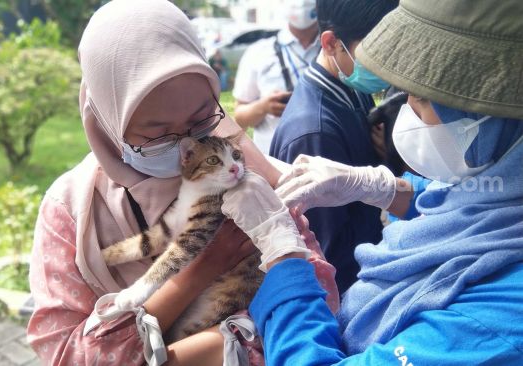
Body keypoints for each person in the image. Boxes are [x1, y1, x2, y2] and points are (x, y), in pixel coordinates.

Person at [25, 1, 339, 365]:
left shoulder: (244, 167)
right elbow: (65, 354)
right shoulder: (72, 211)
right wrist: (196, 273)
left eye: (202, 119)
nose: (185, 149)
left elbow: (320, 292)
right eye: (157, 134)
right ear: (110, 124)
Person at [222, 0, 523, 363]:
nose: (407, 113)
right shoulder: (502, 190)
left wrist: (284, 264)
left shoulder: (497, 321)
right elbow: (464, 196)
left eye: (423, 99)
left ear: (500, 119)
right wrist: (379, 187)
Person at [269, 0, 398, 293]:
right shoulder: (314, 132)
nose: (389, 64)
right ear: (330, 44)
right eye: (378, 51)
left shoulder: (351, 90)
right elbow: (330, 260)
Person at [233, 0, 320, 154]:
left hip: (327, 159)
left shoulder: (336, 49)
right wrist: (263, 107)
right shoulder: (258, 53)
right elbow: (240, 117)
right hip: (274, 164)